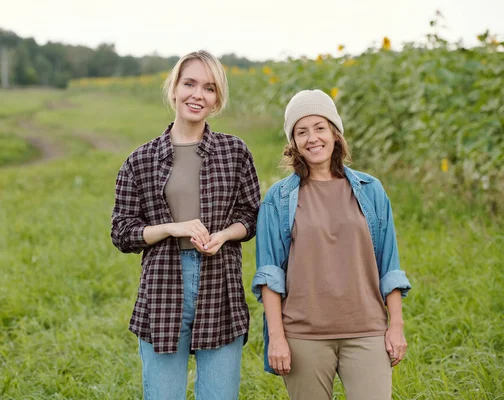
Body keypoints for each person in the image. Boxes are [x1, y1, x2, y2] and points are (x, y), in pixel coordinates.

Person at [111, 50, 260, 400]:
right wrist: (169, 228)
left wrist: (224, 235)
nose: (198, 94)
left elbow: (251, 216)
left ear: (217, 99)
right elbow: (122, 231)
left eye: (208, 88)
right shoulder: (141, 159)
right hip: (162, 285)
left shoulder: (234, 152)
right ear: (174, 88)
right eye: (189, 83)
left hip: (219, 283)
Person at [252, 89, 412, 400]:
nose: (312, 138)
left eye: (320, 128)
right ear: (293, 142)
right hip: (303, 335)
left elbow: (389, 264)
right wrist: (277, 338)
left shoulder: (371, 190)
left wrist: (396, 326)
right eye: (302, 131)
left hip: (367, 330)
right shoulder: (278, 199)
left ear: (335, 134)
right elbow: (269, 273)